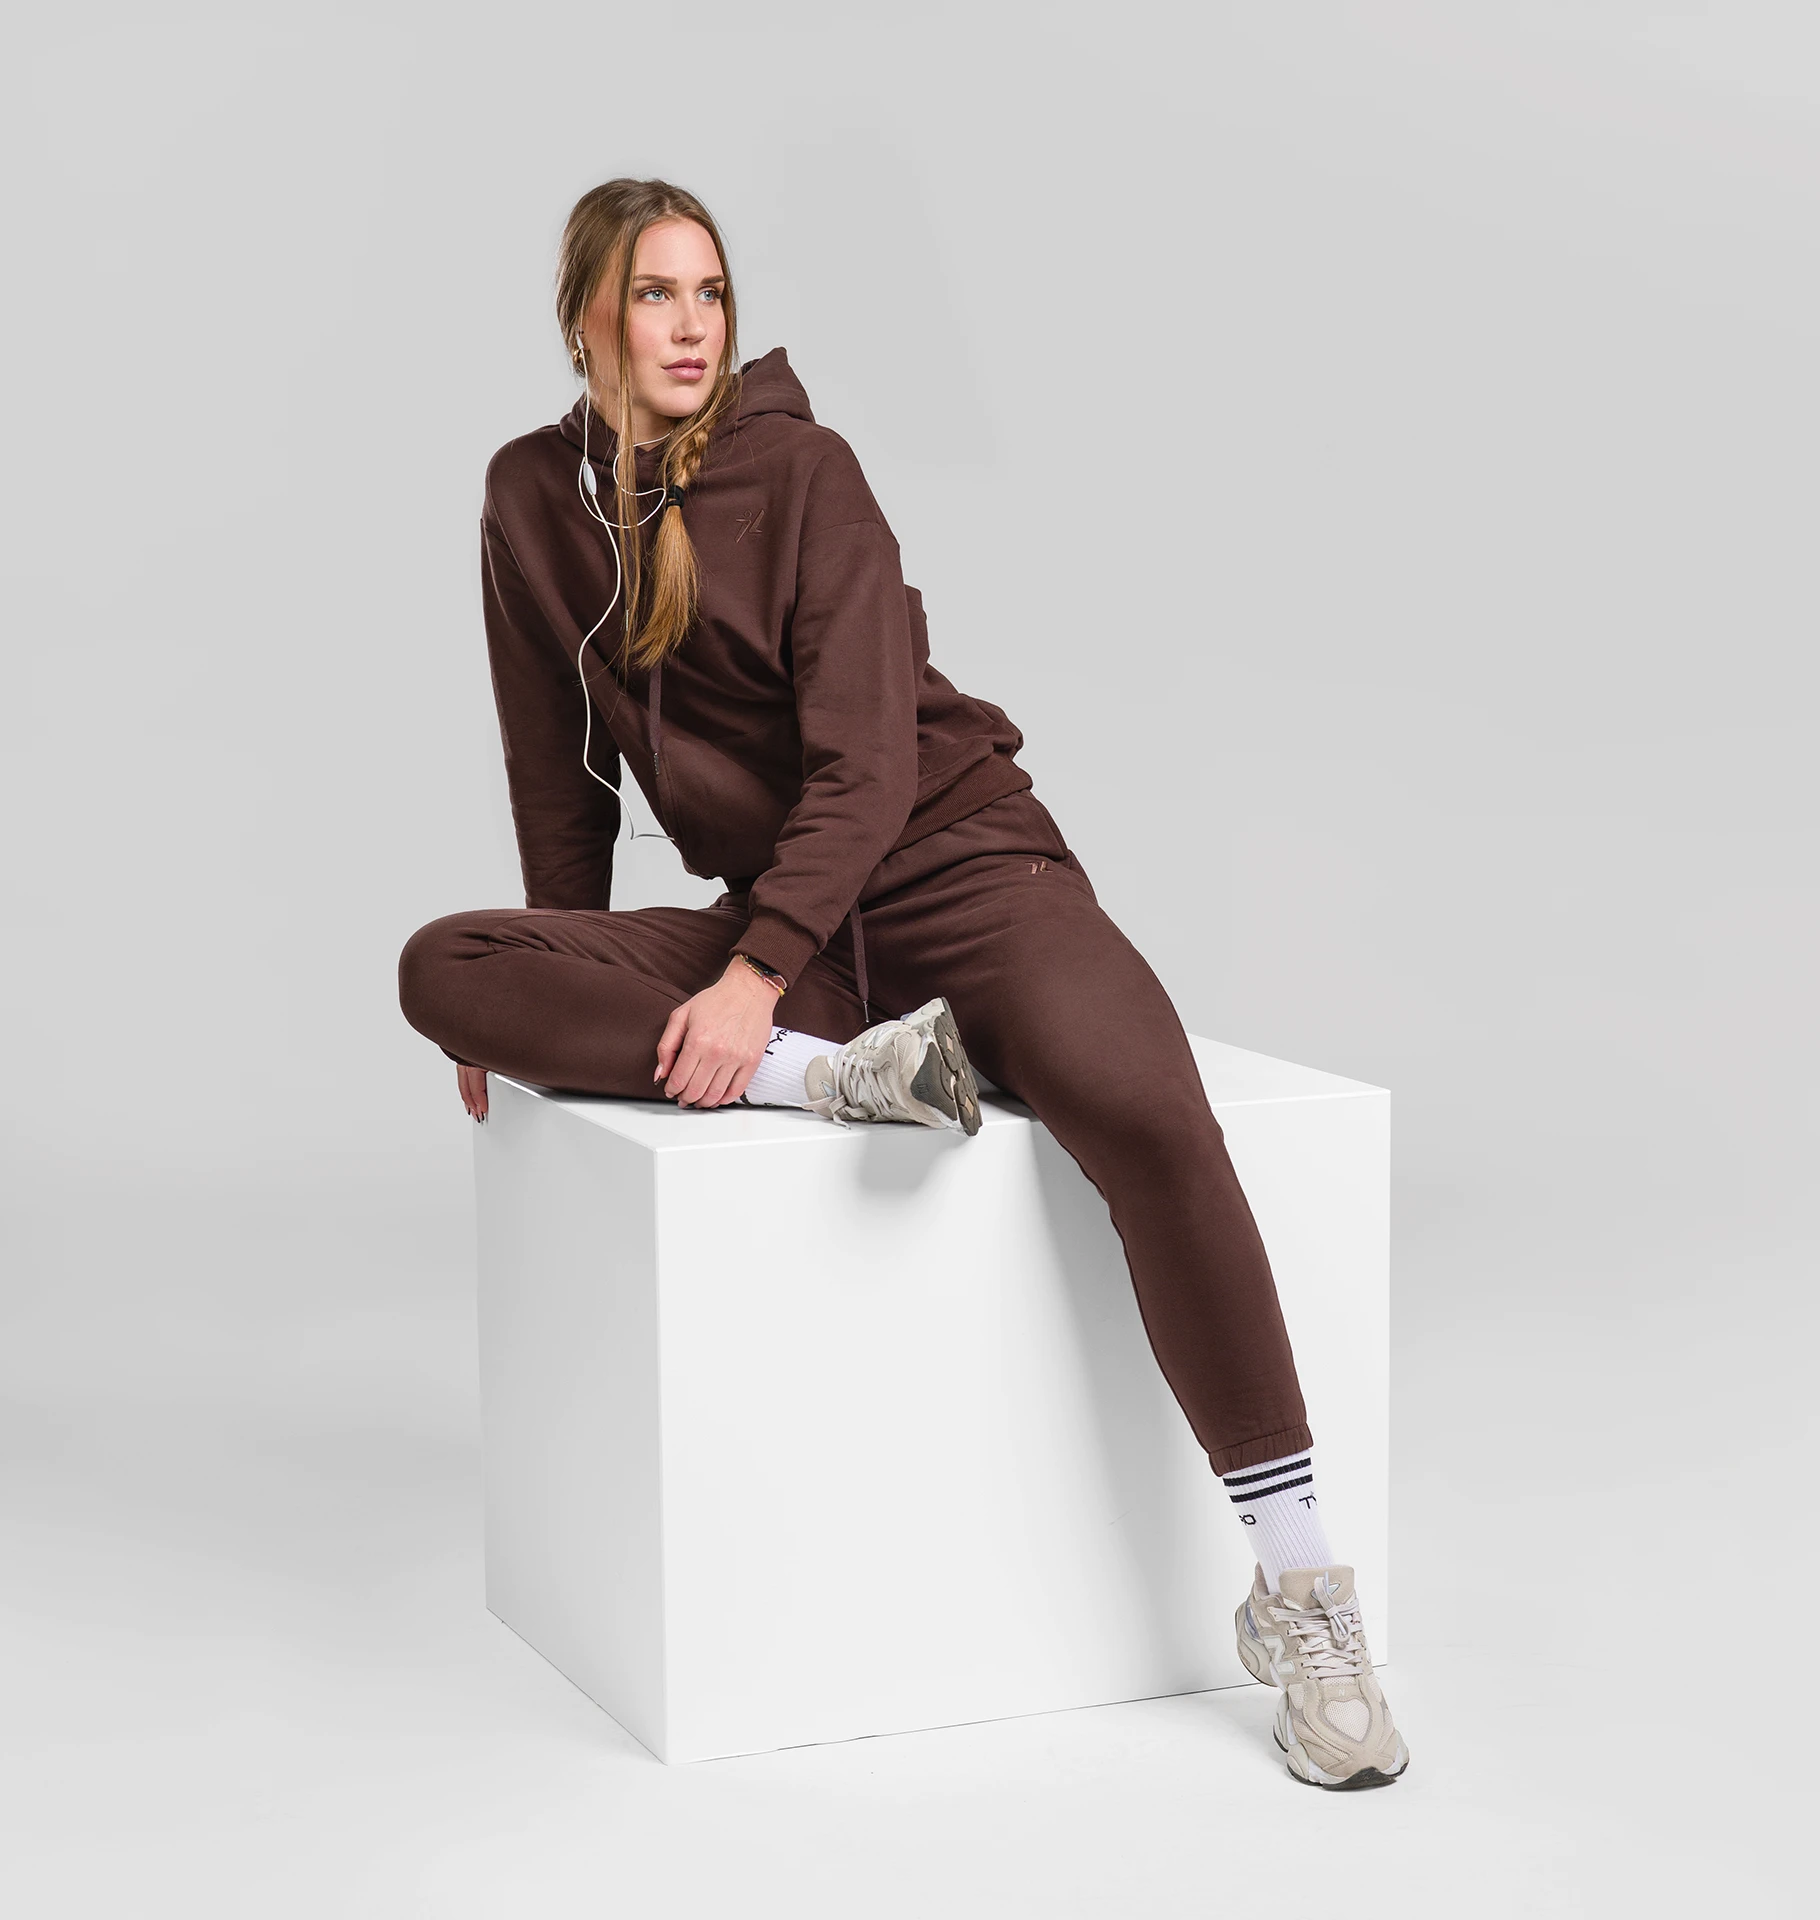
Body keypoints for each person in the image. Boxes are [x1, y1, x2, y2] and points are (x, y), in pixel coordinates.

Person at [395, 178, 1407, 1789]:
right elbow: (557, 771)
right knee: (446, 971)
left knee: (1151, 1115)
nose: (687, 325)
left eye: (709, 294)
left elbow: (867, 772)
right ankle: (844, 1076)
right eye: (654, 295)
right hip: (798, 938)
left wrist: (752, 976)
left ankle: (1302, 1589)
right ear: (586, 315)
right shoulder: (529, 499)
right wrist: (550, 970)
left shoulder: (804, 472)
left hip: (961, 872)